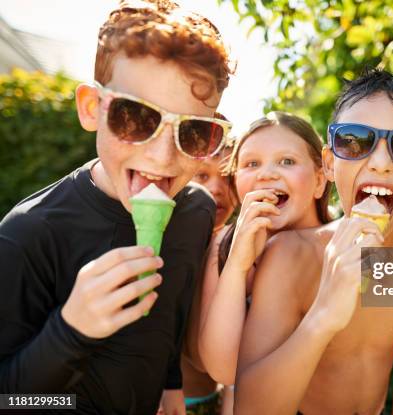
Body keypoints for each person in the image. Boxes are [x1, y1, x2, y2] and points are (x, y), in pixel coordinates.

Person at [0, 1, 232, 414]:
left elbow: (172, 312)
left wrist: (170, 384)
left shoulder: (195, 211)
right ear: (92, 108)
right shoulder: (26, 235)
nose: (162, 157)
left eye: (194, 131)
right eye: (135, 117)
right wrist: (71, 329)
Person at [234, 69, 393, 414]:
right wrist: (325, 313)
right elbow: (250, 407)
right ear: (330, 164)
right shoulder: (290, 256)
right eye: (355, 141)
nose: (379, 163)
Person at [184, 112, 332, 411]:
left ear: (319, 180)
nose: (267, 174)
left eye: (287, 161)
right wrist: (238, 264)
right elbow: (222, 369)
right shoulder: (223, 245)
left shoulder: (344, 245)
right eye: (251, 164)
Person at [178, 133, 239, 415]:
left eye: (228, 178)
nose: (216, 188)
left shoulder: (233, 250)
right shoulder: (167, 243)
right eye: (202, 175)